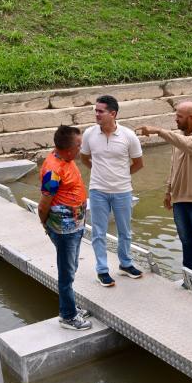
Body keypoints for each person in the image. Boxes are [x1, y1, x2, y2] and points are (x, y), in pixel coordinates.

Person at [137, 101, 192, 284]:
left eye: (179, 116)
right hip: (179, 200)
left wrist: (159, 131)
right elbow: (174, 165)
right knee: (186, 242)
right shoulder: (178, 136)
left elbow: (188, 144)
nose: (176, 119)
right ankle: (189, 278)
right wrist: (168, 191)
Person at [80, 95, 144, 288]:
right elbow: (84, 158)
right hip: (98, 190)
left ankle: (125, 264)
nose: (96, 114)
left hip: (123, 191)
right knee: (99, 232)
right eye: (96, 110)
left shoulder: (128, 136)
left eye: (101, 111)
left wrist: (121, 176)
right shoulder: (89, 134)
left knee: (125, 231)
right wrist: (99, 173)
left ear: (113, 114)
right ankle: (102, 270)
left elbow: (139, 163)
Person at [39, 125, 92, 331]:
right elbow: (44, 203)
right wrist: (46, 223)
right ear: (68, 149)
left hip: (75, 226)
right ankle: (68, 316)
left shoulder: (67, 160)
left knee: (71, 268)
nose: (81, 148)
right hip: (64, 230)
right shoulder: (53, 170)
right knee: (66, 273)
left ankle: (70, 306)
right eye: (79, 145)